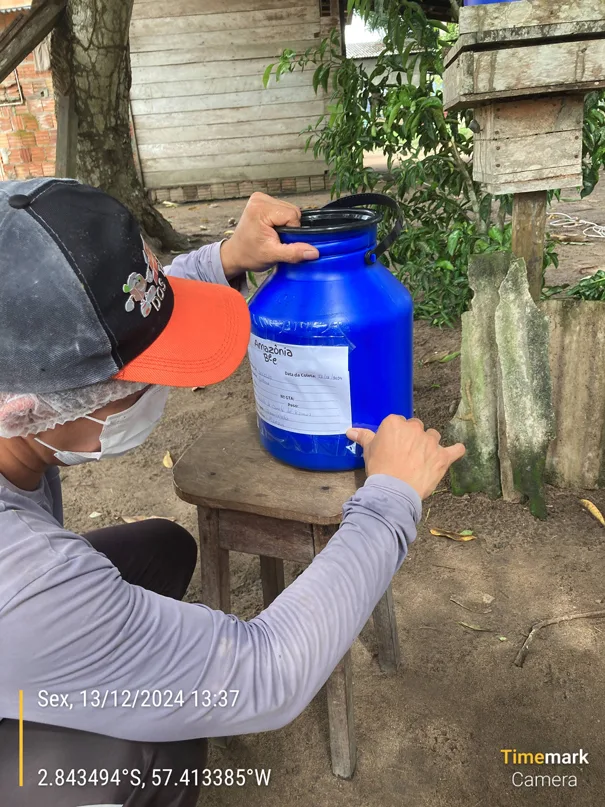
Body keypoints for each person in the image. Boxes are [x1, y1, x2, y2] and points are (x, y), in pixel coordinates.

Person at [0, 178, 465, 806]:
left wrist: (224, 258)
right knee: (151, 755)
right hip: (18, 629)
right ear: (26, 407)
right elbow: (265, 674)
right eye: (142, 379)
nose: (173, 389)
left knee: (162, 550)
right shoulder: (28, 579)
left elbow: (111, 320)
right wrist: (390, 498)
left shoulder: (17, 385)